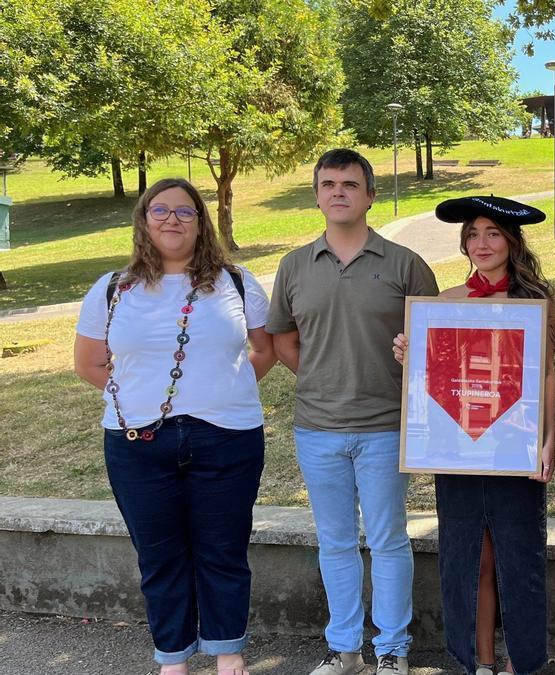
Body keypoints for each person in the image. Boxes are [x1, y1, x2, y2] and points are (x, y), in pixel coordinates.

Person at [73, 178, 275, 675]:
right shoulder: (112, 289)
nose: (172, 219)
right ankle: (173, 658)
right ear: (143, 220)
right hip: (137, 443)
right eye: (159, 210)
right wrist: (135, 398)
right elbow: (89, 363)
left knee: (224, 549)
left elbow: (265, 349)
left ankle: (228, 650)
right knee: (159, 556)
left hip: (227, 438)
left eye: (185, 211)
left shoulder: (236, 282)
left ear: (201, 223)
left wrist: (224, 388)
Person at [267, 149, 438, 675]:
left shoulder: (405, 264)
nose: (338, 192)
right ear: (317, 196)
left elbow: (435, 343)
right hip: (317, 429)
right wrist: (326, 378)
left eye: (349, 184)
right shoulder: (294, 265)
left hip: (386, 426)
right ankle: (344, 649)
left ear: (369, 195)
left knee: (388, 540)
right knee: (336, 542)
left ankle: (392, 650)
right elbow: (283, 341)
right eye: (328, 184)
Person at [391, 196, 555, 675]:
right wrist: (410, 353)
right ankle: (479, 660)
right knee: (470, 558)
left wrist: (548, 438)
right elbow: (436, 379)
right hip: (459, 448)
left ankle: (522, 662)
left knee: (519, 558)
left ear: (512, 241)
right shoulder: (445, 303)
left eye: (493, 233)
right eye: (473, 235)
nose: (482, 243)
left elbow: (546, 375)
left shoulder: (536, 303)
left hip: (515, 444)